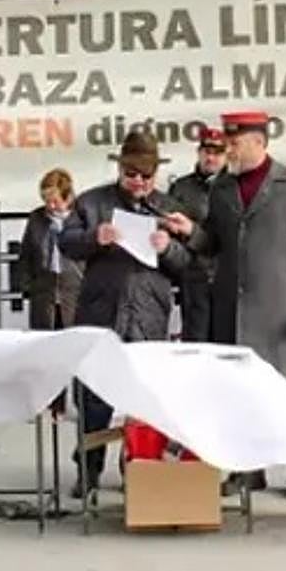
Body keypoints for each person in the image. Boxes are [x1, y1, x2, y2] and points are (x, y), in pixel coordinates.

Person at [59, 131, 188, 494]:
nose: (138, 182)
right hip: (102, 309)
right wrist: (93, 239)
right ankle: (88, 468)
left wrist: (169, 249)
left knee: (145, 395)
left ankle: (140, 466)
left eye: (145, 176)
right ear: (120, 169)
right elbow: (66, 243)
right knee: (94, 395)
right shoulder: (92, 202)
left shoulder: (168, 206)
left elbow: (190, 261)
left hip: (149, 313)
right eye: (132, 174)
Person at [164, 112, 286, 384]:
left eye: (234, 144)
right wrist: (191, 231)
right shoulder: (221, 186)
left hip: (277, 311)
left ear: (258, 142)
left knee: (279, 395)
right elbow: (214, 243)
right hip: (230, 312)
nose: (228, 151)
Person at [168, 127, 227, 342]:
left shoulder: (235, 185)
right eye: (206, 151)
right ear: (199, 152)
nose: (211, 157)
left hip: (226, 276)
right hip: (193, 276)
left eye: (217, 152)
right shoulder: (181, 187)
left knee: (226, 344)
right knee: (196, 341)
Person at [18, 168, 83, 330]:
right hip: (44, 295)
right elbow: (26, 254)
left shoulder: (83, 217)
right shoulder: (36, 218)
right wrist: (27, 286)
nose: (50, 206)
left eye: (55, 201)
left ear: (68, 198)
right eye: (46, 201)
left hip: (76, 293)